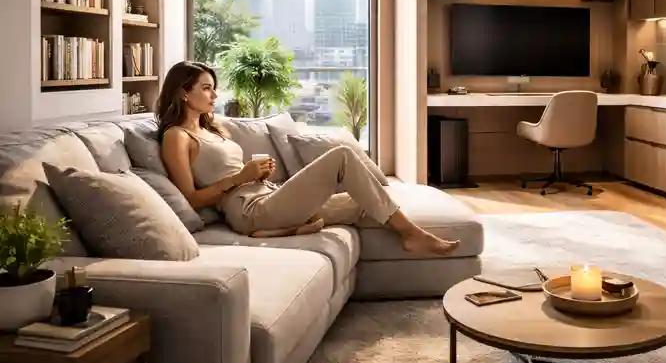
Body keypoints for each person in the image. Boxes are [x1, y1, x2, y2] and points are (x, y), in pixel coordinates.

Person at [157, 60, 460, 256]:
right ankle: (412, 234)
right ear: (183, 93)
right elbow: (191, 198)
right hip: (249, 210)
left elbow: (240, 174)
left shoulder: (216, 127)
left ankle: (283, 230)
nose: (213, 95)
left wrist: (257, 175)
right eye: (206, 88)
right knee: (342, 156)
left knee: (364, 200)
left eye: (214, 88)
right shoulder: (177, 137)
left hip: (268, 196)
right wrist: (240, 178)